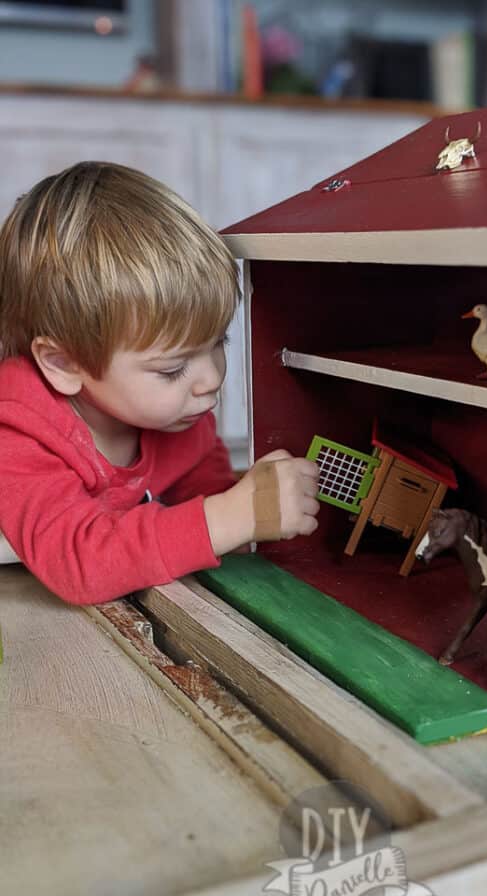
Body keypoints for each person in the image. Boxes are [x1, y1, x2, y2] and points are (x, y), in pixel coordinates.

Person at [0, 161, 319, 604]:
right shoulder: (19, 433)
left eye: (217, 341)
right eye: (171, 369)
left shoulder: (179, 418)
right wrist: (232, 516)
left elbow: (209, 491)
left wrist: (255, 514)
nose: (210, 380)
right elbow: (79, 563)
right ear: (64, 364)